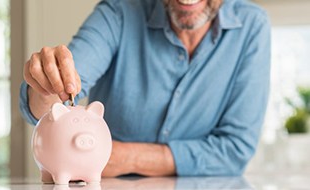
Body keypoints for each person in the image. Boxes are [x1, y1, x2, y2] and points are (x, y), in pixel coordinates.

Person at [20, 0, 271, 176]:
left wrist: (121, 157)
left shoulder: (251, 26)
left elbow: (234, 151)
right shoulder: (118, 12)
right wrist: (47, 84)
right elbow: (52, 103)